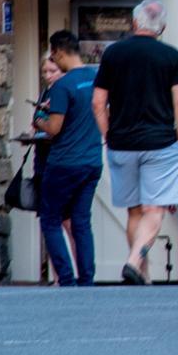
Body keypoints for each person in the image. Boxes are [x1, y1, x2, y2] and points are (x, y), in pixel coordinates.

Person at [91, 0, 178, 285]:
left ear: (134, 24)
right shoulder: (171, 57)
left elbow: (98, 103)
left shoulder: (113, 54)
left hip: (122, 143)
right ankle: (135, 261)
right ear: (163, 27)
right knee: (154, 209)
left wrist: (109, 135)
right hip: (161, 142)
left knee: (134, 210)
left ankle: (142, 274)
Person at [29, 30, 102, 287]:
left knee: (50, 220)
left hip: (64, 162)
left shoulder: (62, 85)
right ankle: (87, 280)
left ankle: (67, 279)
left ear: (59, 52)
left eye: (53, 55)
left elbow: (54, 128)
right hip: (92, 161)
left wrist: (40, 119)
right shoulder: (95, 79)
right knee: (82, 222)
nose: (52, 61)